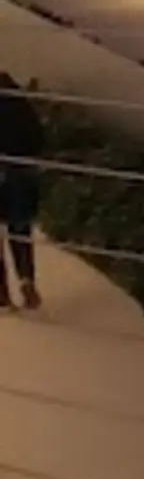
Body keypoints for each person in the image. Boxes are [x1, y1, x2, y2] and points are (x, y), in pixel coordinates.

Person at [0, 75, 39, 311]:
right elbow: (37, 138)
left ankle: (1, 296)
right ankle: (26, 279)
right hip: (20, 174)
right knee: (20, 230)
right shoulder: (21, 105)